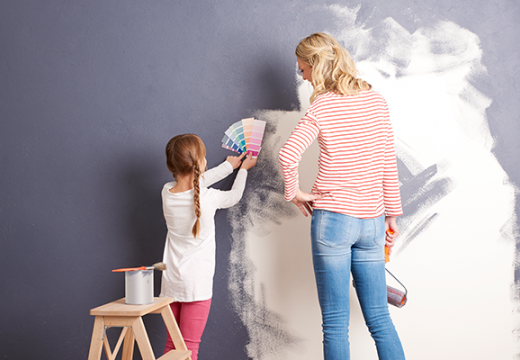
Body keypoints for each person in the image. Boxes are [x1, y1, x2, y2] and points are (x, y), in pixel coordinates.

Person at [278, 33, 406, 360]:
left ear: (317, 67)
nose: (303, 76)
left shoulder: (323, 105)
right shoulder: (376, 101)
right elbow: (387, 161)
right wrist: (392, 214)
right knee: (379, 318)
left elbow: (287, 155)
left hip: (333, 221)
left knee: (335, 324)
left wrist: (294, 193)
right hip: (372, 222)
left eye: (303, 69)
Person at [160, 134, 257, 360]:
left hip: (171, 284)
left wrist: (227, 166)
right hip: (197, 285)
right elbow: (233, 196)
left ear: (171, 165)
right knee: (190, 349)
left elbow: (196, 182)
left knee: (172, 347)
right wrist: (241, 170)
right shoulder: (209, 198)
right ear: (200, 163)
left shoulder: (166, 193)